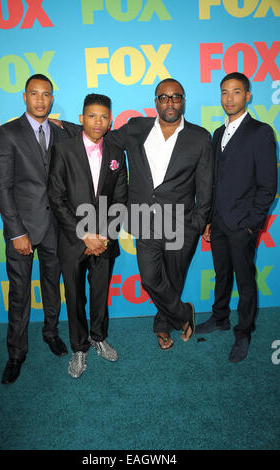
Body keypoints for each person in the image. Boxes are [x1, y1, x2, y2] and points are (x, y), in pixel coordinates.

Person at [58, 78, 214, 350]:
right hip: (143, 218)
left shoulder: (200, 137)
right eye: (163, 97)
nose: (170, 102)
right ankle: (182, 314)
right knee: (151, 278)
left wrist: (198, 222)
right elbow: (99, 134)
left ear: (183, 100)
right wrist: (68, 125)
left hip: (181, 221)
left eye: (175, 97)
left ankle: (163, 326)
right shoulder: (136, 128)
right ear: (156, 102)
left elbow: (206, 184)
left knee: (173, 279)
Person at [0, 74, 72, 385]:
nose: (41, 100)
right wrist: (16, 232)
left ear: (52, 98)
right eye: (34, 94)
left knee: (53, 285)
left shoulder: (61, 133)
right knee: (19, 293)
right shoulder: (7, 133)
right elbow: (3, 187)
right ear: (24, 96)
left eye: (46, 94)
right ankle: (15, 353)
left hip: (55, 228)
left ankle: (51, 333)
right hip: (22, 229)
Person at [195, 72, 277, 362]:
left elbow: (268, 186)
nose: (229, 98)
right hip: (217, 222)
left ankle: (243, 332)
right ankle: (219, 319)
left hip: (242, 225)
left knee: (244, 282)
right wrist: (208, 219)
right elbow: (215, 181)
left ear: (248, 96)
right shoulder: (217, 134)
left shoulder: (261, 131)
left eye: (236, 92)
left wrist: (252, 225)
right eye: (224, 93)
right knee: (221, 275)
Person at [47, 94, 127, 379]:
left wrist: (103, 236)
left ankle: (98, 338)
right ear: (81, 118)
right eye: (92, 116)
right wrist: (84, 235)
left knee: (99, 293)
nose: (98, 122)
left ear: (110, 120)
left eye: (104, 116)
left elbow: (120, 198)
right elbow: (56, 198)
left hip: (104, 239)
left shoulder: (117, 152)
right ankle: (79, 348)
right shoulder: (63, 150)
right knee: (75, 295)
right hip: (73, 240)